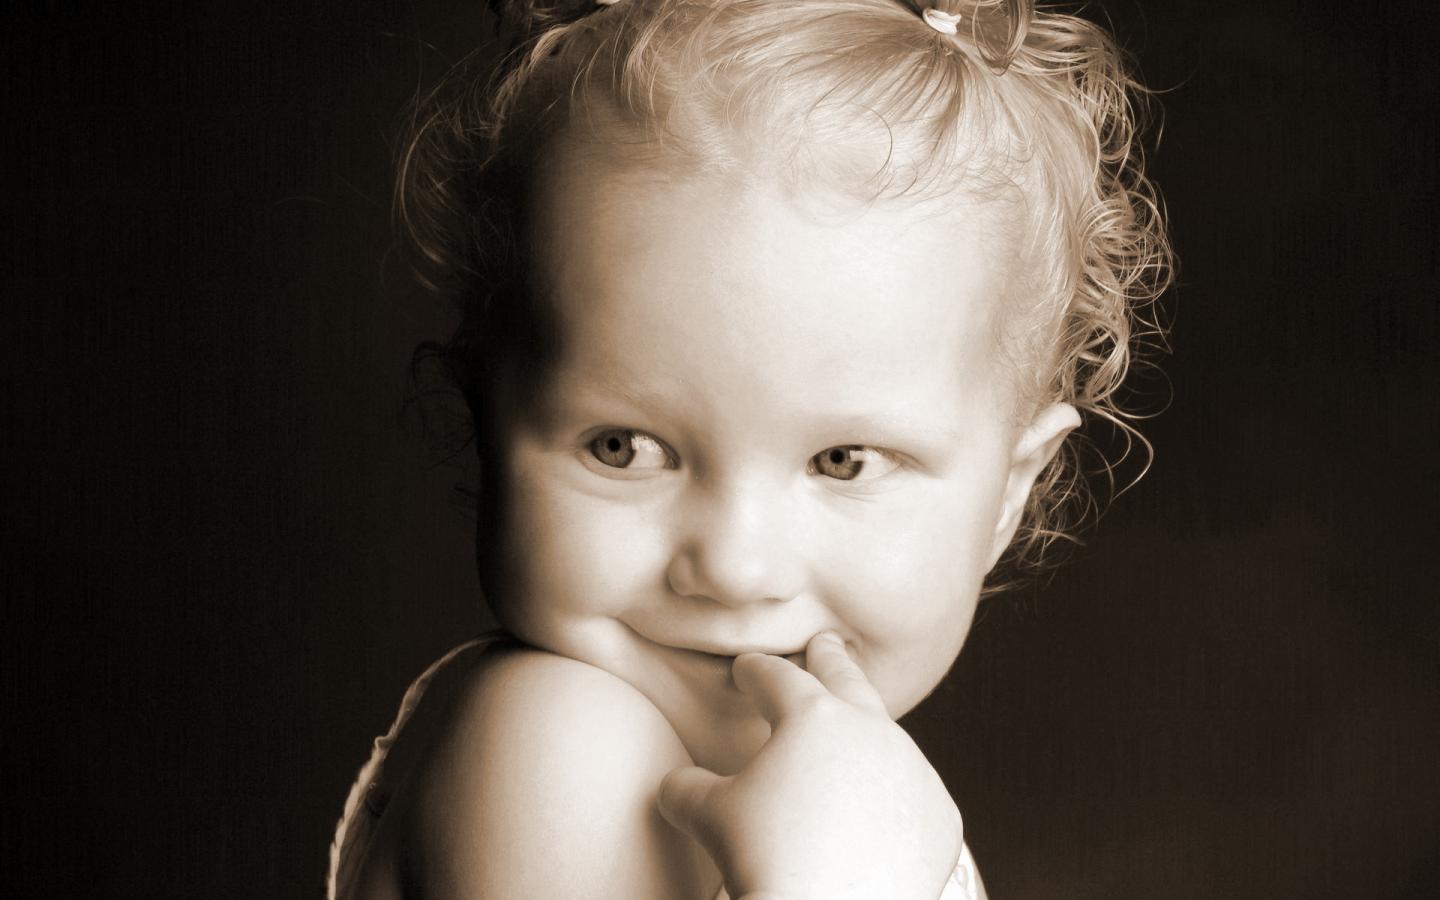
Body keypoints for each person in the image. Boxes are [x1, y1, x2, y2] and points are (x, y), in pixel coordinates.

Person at [328, 0, 1171, 896]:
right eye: (625, 447)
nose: (734, 568)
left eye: (844, 461)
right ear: (486, 423)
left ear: (1010, 493)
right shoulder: (556, 747)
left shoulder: (835, 786)